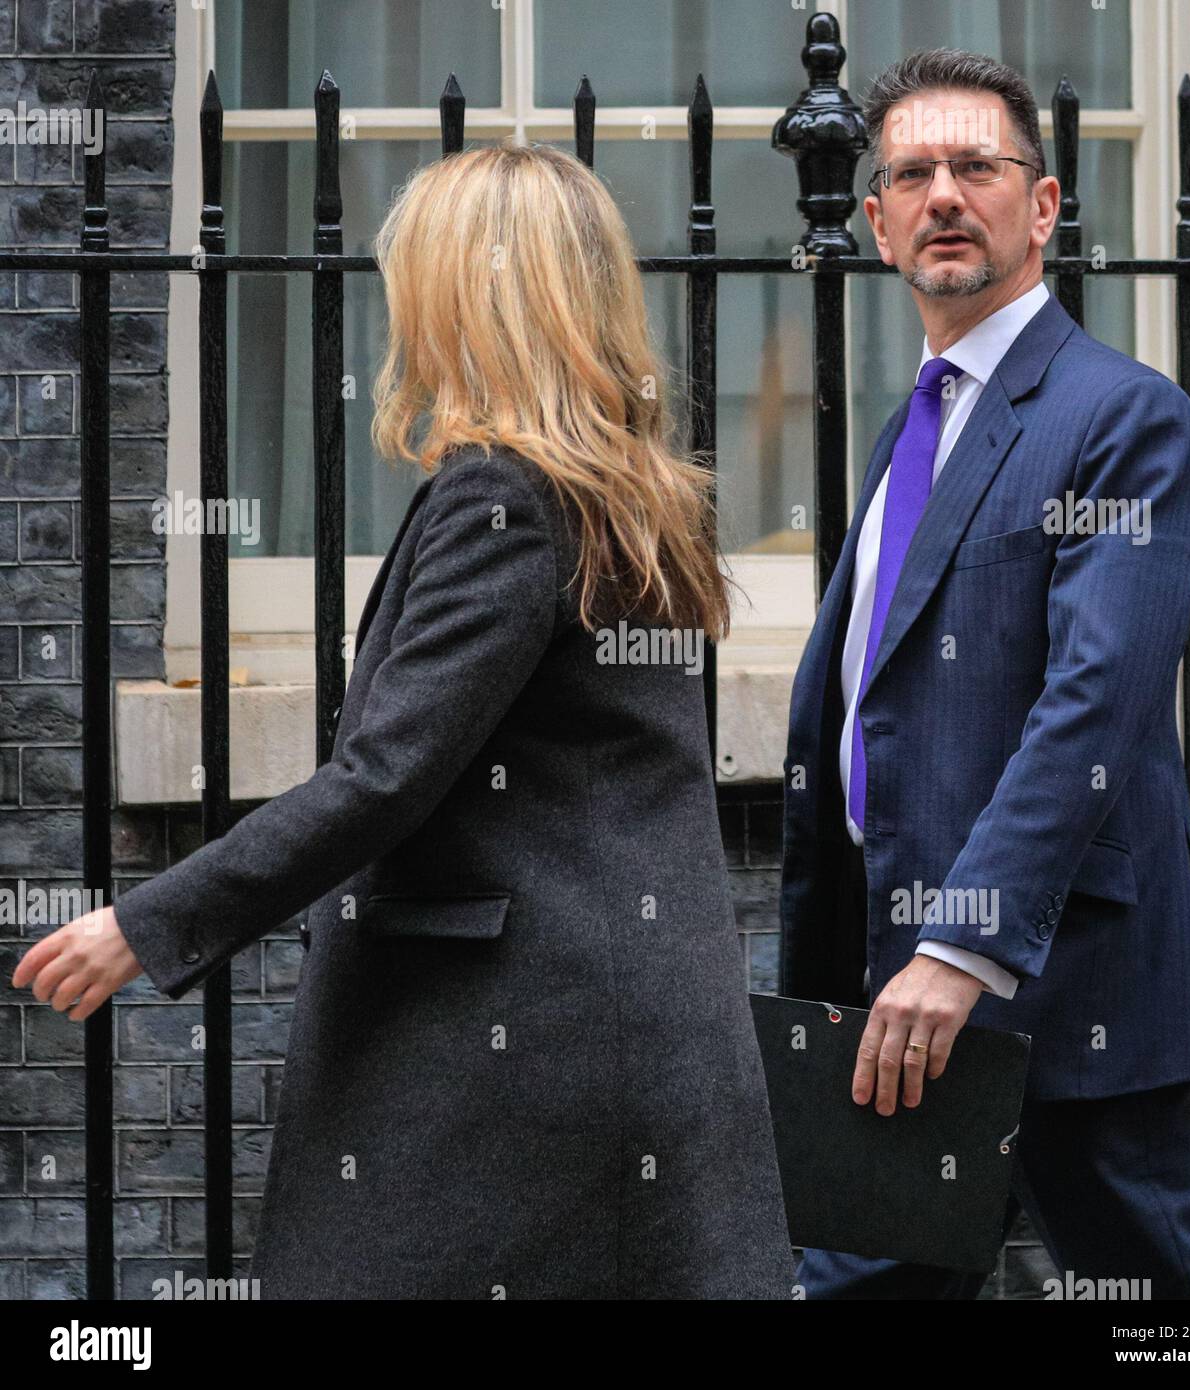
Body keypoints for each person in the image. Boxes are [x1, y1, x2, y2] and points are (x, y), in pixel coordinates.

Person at [13, 142, 795, 1301]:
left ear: (474, 291)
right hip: (625, 1021)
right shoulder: (633, 492)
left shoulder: (508, 495)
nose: (399, 307)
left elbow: (384, 776)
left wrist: (150, 921)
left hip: (517, 1038)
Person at [780, 48, 1190, 1299]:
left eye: (975, 167)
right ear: (875, 224)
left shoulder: (1122, 416)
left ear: (1039, 208)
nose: (943, 194)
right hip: (894, 999)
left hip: (1069, 988)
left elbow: (1090, 704)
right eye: (912, 174)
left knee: (1161, 1307)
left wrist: (964, 947)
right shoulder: (912, 429)